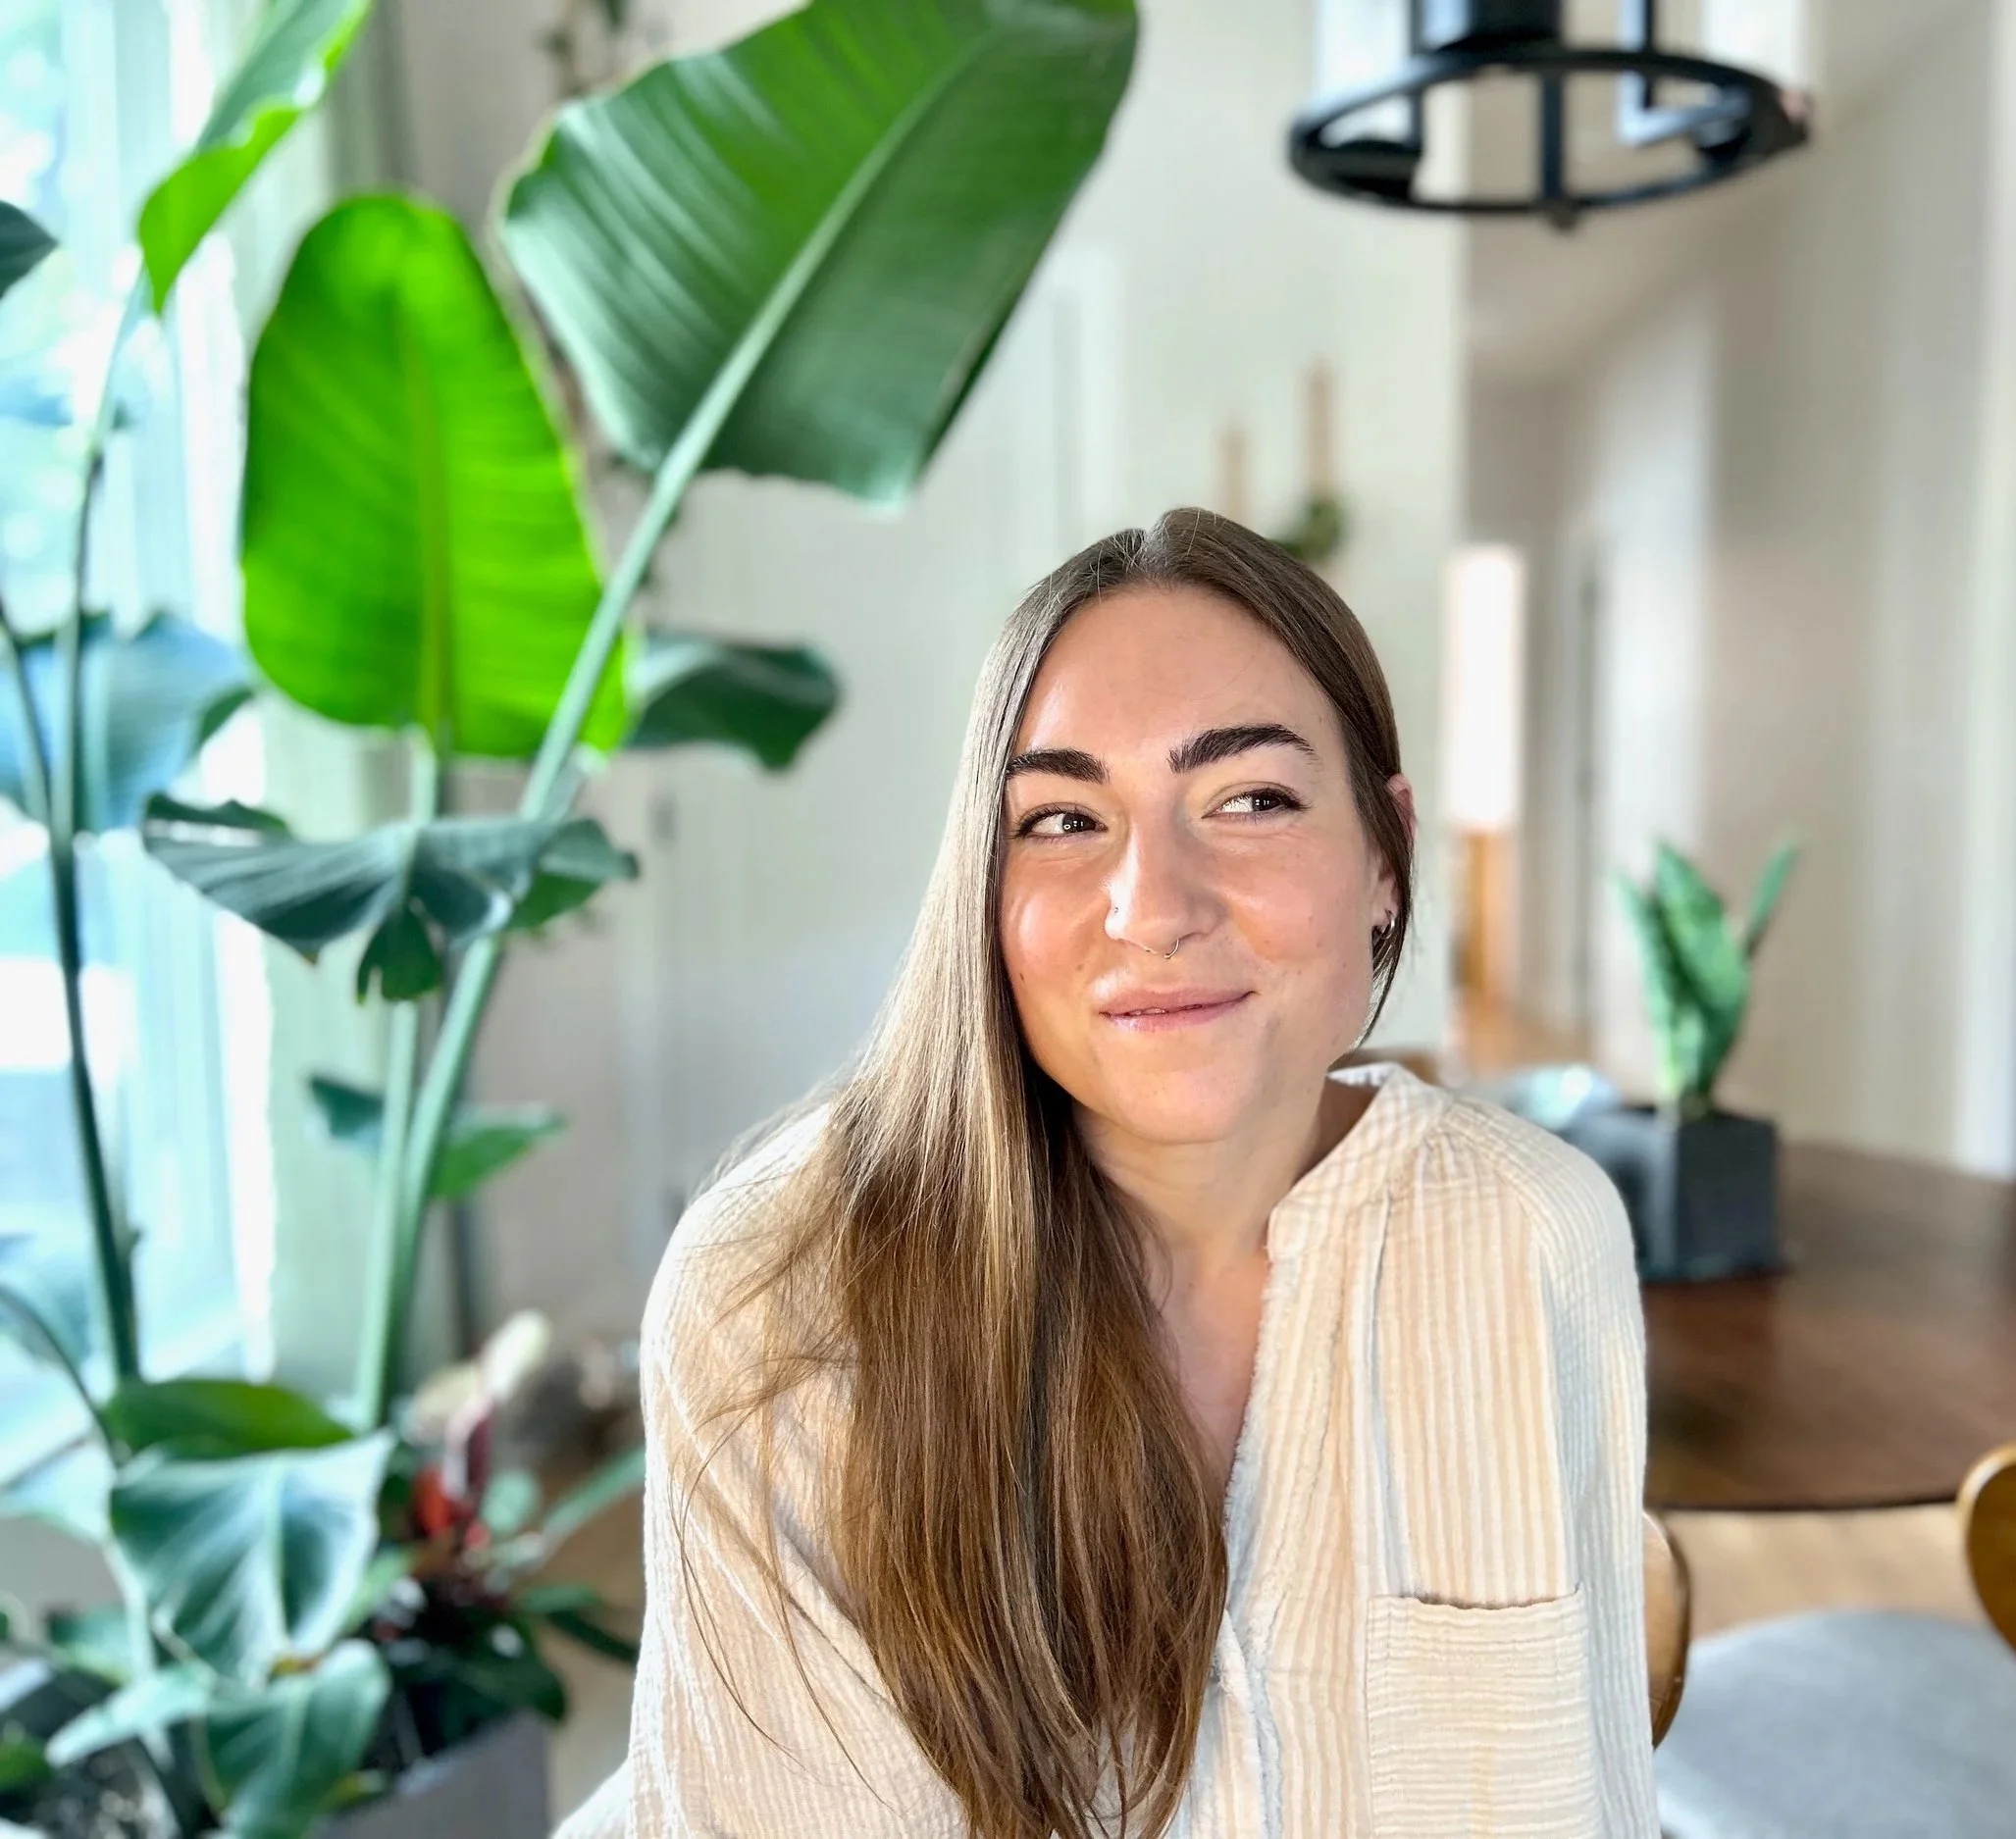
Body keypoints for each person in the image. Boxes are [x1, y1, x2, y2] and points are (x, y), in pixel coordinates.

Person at [615, 508, 1657, 1837]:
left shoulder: (1533, 1233)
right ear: (984, 891)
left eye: (1252, 800)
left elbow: (1584, 1793)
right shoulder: (777, 1299)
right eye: (1063, 819)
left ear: (1385, 859)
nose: (1152, 907)